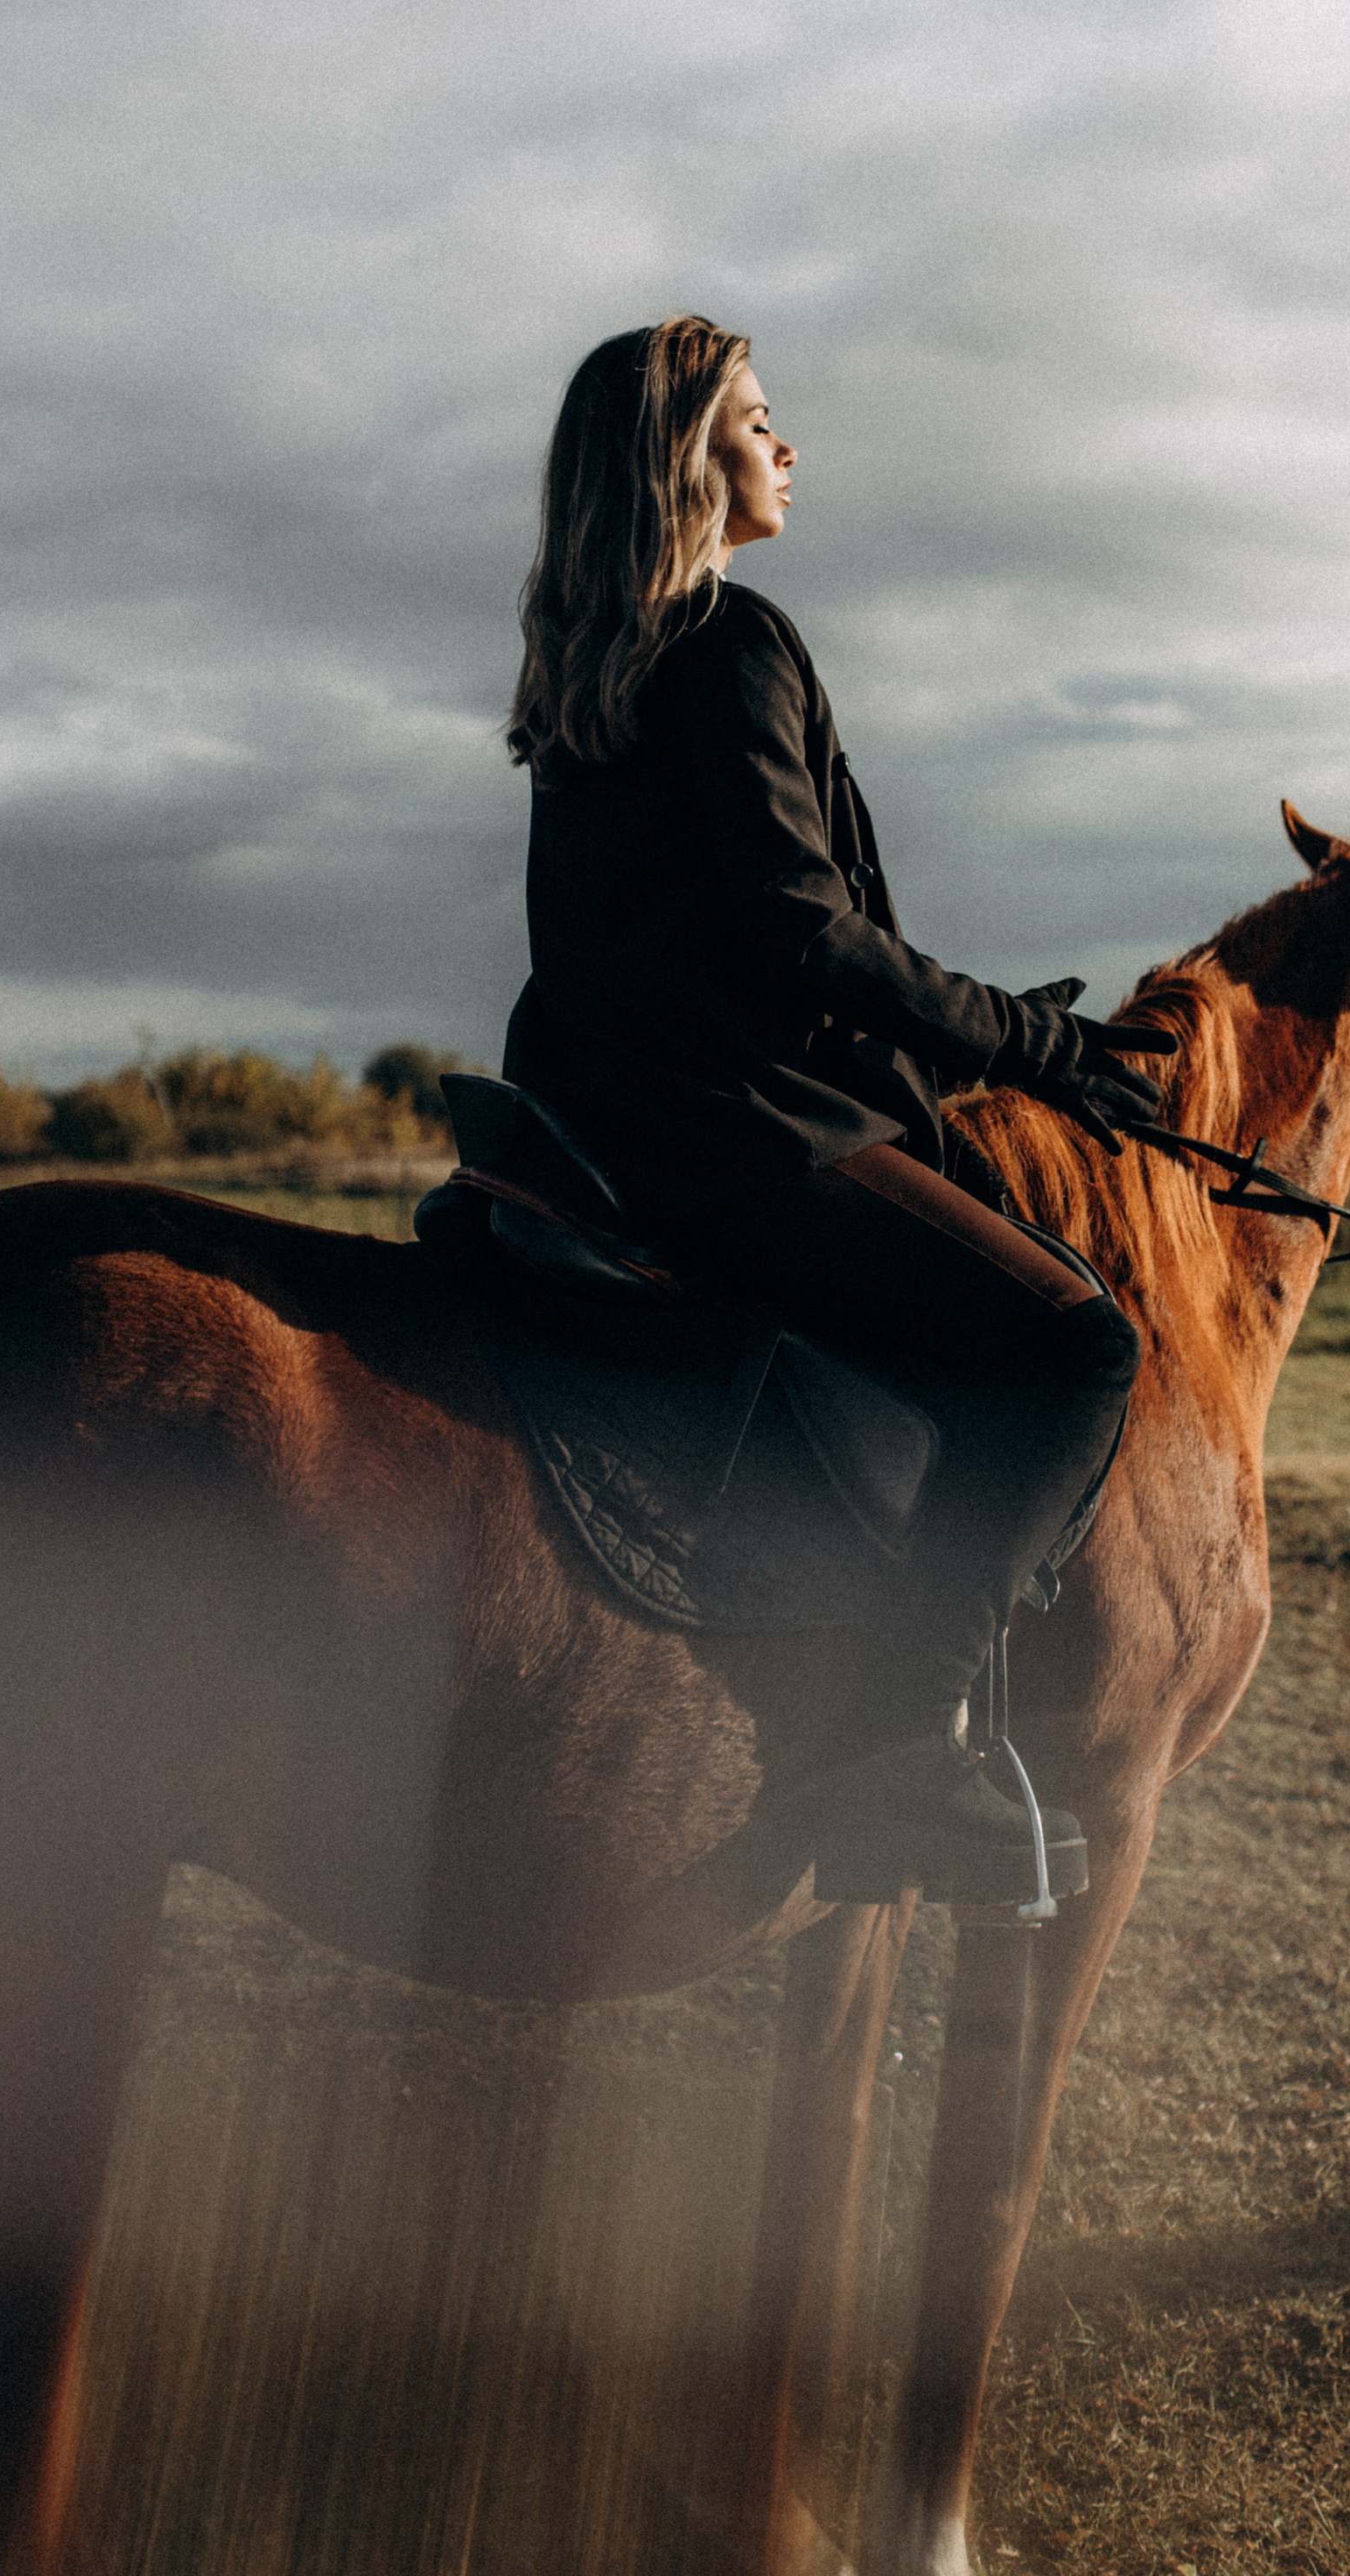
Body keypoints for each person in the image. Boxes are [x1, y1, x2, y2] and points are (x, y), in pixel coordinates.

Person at [500, 314, 1171, 1902]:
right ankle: (894, 1754)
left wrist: (945, 1047)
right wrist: (1037, 1049)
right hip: (741, 1143)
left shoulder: (582, 677)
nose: (783, 446)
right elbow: (802, 930)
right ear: (685, 462)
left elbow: (689, 952)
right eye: (753, 420)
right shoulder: (737, 643)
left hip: (596, 1129)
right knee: (1078, 1344)